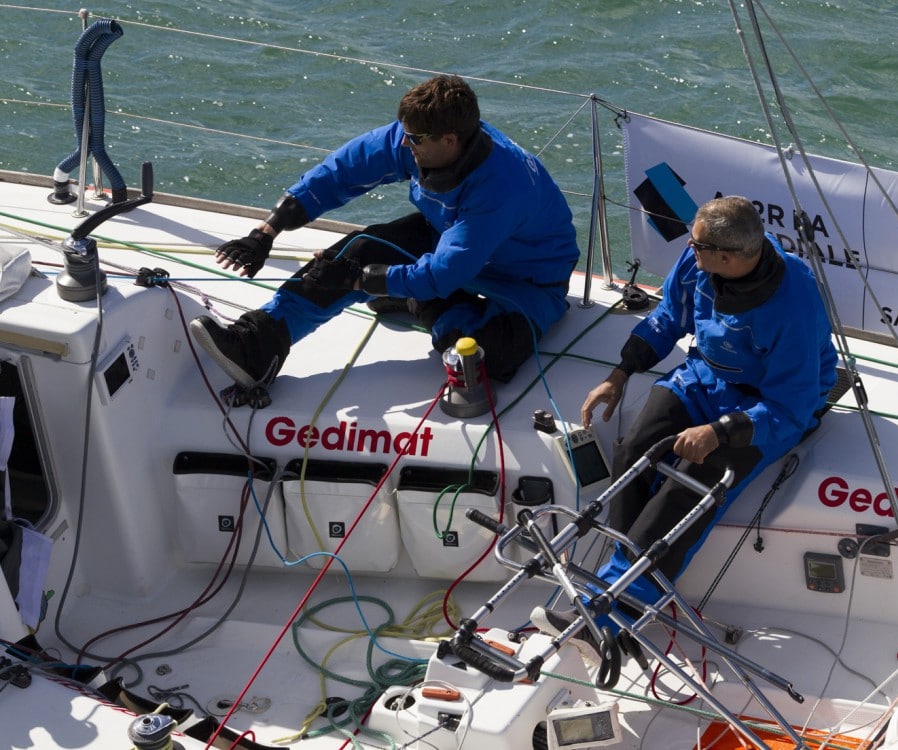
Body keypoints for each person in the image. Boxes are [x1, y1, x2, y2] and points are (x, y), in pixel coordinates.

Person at [533, 195, 838, 649]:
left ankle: (615, 611)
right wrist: (621, 374)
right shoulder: (701, 256)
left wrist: (718, 432)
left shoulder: (794, 302)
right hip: (704, 377)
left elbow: (790, 407)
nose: (688, 251)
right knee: (634, 447)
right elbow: (667, 318)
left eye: (696, 247)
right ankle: (622, 579)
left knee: (692, 485)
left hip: (766, 408)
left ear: (727, 257)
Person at [190, 74, 579, 396]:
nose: (404, 143)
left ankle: (419, 305)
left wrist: (362, 281)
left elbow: (445, 274)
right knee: (358, 252)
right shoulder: (415, 138)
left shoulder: (499, 189)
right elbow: (342, 173)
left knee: (484, 357)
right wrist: (267, 231)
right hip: (446, 238)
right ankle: (258, 344)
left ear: (450, 140)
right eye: (405, 133)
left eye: (415, 138)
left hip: (526, 280)